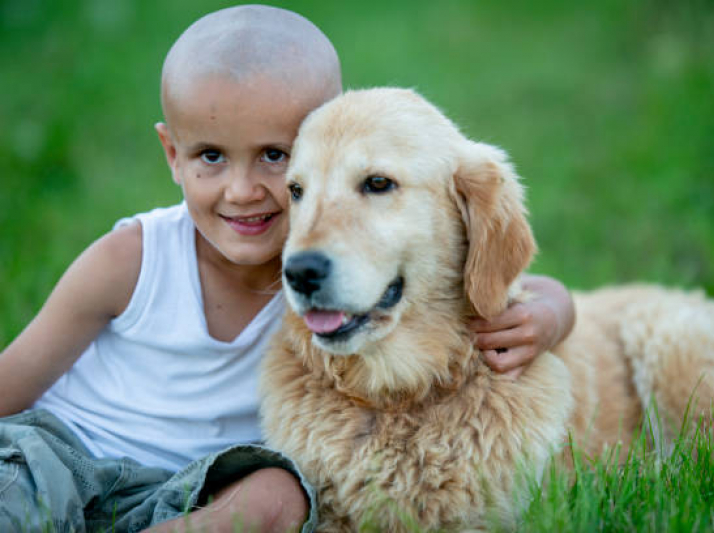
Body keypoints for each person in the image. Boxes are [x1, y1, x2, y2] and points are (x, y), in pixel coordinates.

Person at [0, 5, 575, 532]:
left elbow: (512, 283)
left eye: (275, 158)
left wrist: (552, 314)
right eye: (210, 156)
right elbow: (15, 376)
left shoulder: (312, 262)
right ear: (172, 154)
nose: (244, 191)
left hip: (184, 489)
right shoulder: (133, 256)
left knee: (282, 492)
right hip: (61, 454)